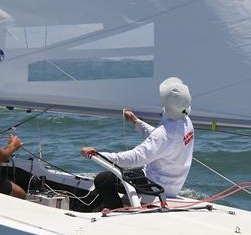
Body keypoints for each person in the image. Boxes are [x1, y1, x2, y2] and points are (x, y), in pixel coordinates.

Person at [80, 77, 194, 210]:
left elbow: (134, 158)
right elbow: (162, 140)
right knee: (118, 177)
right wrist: (137, 122)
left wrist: (96, 154)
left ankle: (117, 214)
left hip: (156, 185)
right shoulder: (186, 121)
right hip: (173, 185)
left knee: (103, 180)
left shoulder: (164, 134)